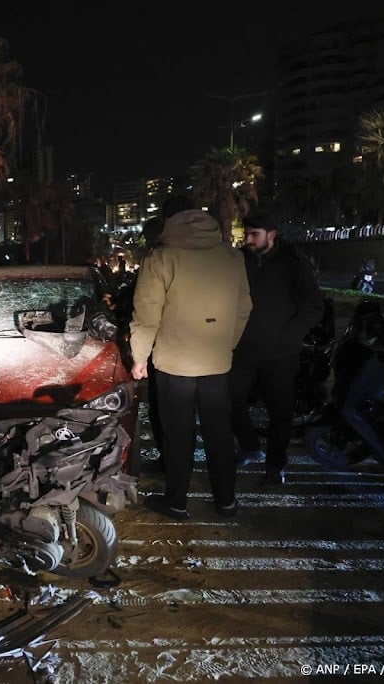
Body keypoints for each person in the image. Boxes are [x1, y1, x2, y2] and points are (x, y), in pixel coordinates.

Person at [130, 197, 252, 520]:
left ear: (170, 221)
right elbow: (244, 308)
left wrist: (139, 357)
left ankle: (177, 501)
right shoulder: (232, 256)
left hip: (174, 365)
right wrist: (226, 345)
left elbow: (146, 315)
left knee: (178, 435)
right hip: (216, 363)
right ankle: (226, 501)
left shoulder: (161, 258)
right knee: (219, 433)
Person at [229, 211, 325, 486]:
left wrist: (289, 337)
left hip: (280, 354)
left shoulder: (292, 262)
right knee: (227, 398)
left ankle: (275, 466)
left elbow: (313, 307)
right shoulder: (240, 260)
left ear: (272, 234)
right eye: (246, 233)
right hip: (243, 348)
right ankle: (249, 446)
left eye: (254, 234)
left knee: (280, 412)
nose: (248, 239)